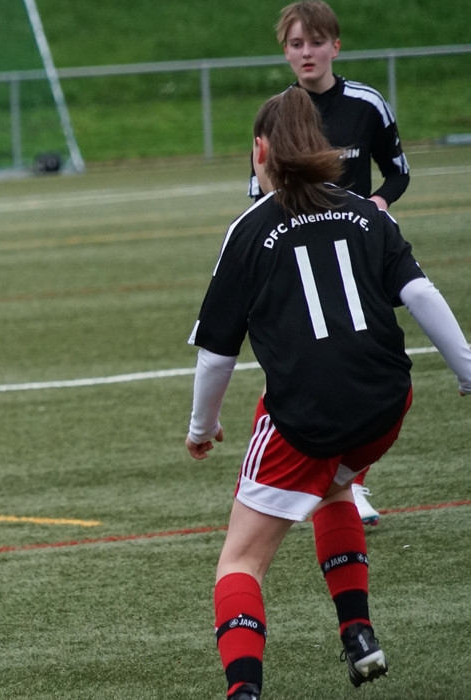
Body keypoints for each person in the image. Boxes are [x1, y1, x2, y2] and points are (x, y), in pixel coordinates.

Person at [188, 87, 471, 699]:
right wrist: (467, 370)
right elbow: (420, 294)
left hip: (308, 418)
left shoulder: (248, 230)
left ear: (260, 151)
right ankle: (359, 634)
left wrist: (201, 428)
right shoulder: (367, 212)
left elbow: (216, 354)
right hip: (384, 404)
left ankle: (244, 691)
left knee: (239, 562)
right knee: (336, 484)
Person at [248, 1, 412, 525]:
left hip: (357, 256)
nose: (307, 53)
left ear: (335, 46)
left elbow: (398, 172)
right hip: (297, 260)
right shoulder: (277, 113)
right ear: (285, 51)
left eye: (316, 43)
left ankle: (350, 482)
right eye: (296, 44)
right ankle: (307, 474)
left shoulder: (367, 104)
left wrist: (379, 202)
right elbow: (258, 192)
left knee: (367, 350)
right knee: (304, 357)